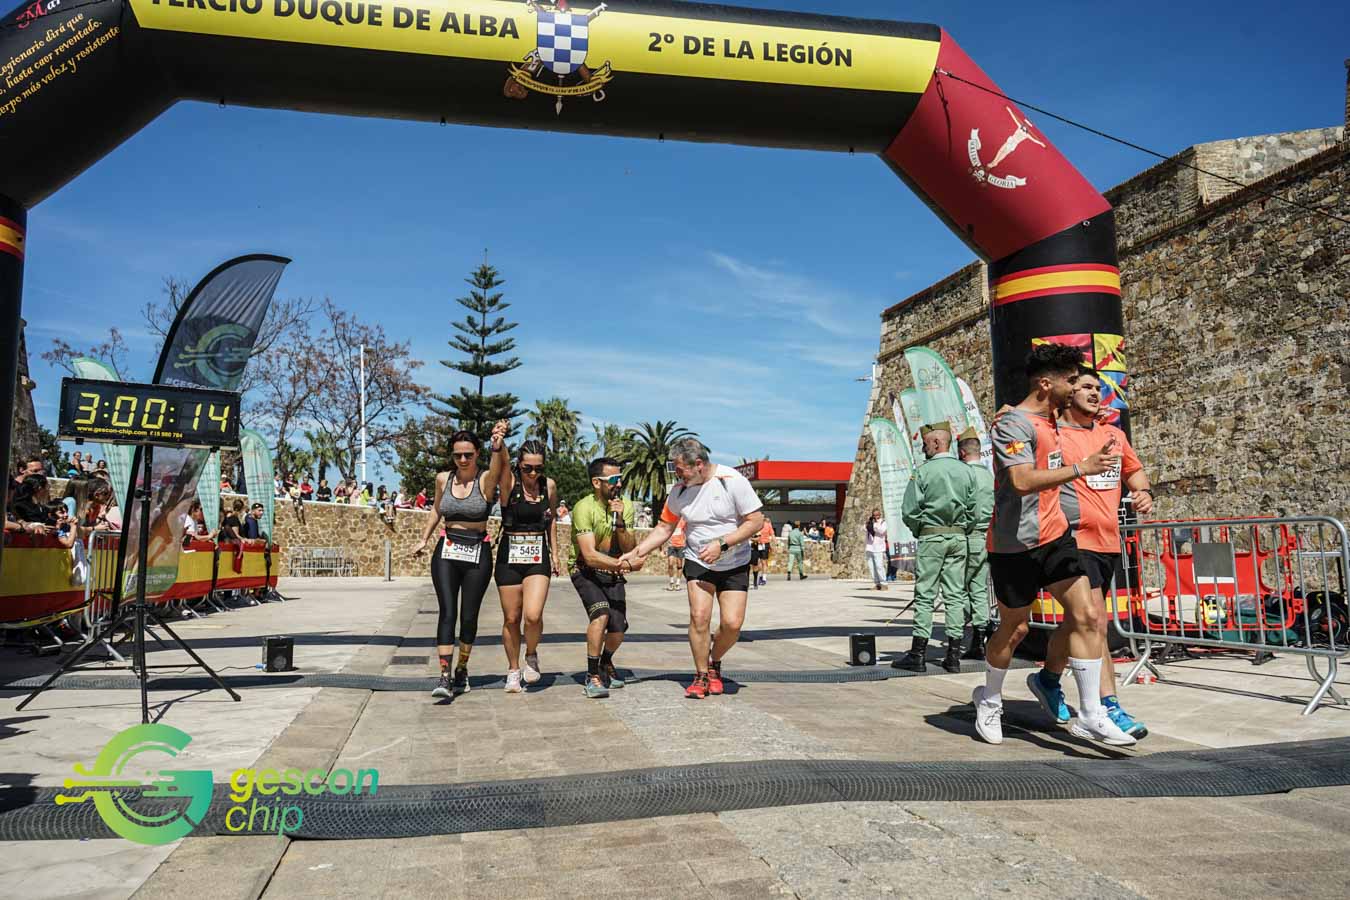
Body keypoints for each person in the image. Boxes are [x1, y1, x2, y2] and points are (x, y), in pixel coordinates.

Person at [972, 343, 1135, 747]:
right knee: (1015, 628)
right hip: (1014, 544)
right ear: (1046, 384)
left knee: (1087, 616)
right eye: (1071, 381)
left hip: (1056, 537)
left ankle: (1091, 714)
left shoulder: (1054, 420)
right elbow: (1021, 481)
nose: (1077, 388)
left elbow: (1084, 425)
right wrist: (1081, 468)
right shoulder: (1013, 425)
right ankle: (989, 698)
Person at [1041, 370, 1153, 738]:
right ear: (1068, 392)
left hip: (1107, 541)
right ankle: (1108, 707)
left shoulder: (1113, 435)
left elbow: (1135, 473)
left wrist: (1143, 493)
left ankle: (1047, 679)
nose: (1094, 392)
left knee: (1079, 621)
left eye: (1098, 387)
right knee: (1096, 622)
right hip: (1071, 539)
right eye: (1086, 387)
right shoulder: (1054, 433)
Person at [624, 438, 764, 700]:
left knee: (732, 624)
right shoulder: (679, 492)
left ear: (698, 464)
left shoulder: (731, 480)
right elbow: (664, 528)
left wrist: (722, 544)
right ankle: (701, 675)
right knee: (699, 617)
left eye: (680, 469)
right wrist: (638, 551)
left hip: (734, 562)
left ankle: (713, 662)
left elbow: (756, 521)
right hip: (697, 561)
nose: (677, 475)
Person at [412, 422, 509, 700]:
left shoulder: (485, 479)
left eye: (468, 454)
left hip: (477, 550)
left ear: (477, 453)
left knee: (468, 616)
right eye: (457, 455)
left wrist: (497, 445)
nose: (463, 459)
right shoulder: (443, 479)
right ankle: (444, 674)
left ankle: (462, 668)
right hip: (448, 549)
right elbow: (436, 509)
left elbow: (499, 468)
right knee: (447, 612)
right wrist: (424, 538)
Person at [896, 423, 976, 674]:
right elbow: (973, 509)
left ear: (937, 442)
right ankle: (953, 657)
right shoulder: (966, 471)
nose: (923, 448)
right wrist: (962, 528)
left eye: (925, 443)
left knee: (925, 595)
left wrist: (921, 529)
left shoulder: (923, 472)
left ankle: (918, 655)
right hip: (958, 538)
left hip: (932, 537)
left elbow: (910, 510)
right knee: (955, 595)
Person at [494, 439, 560, 693]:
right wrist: (499, 445)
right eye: (527, 468)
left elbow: (551, 520)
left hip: (537, 555)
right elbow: (500, 463)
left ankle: (531, 654)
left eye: (538, 468)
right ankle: (513, 670)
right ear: (518, 465)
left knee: (532, 615)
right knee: (512, 618)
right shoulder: (509, 483)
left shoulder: (548, 486)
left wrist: (555, 553)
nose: (533, 473)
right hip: (509, 555)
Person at [567, 457, 636, 699]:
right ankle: (592, 674)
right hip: (585, 569)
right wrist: (623, 564)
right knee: (601, 613)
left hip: (613, 573)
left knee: (618, 628)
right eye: (614, 479)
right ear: (597, 482)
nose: (619, 484)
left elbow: (630, 547)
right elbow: (589, 555)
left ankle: (606, 661)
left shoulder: (626, 505)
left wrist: (621, 522)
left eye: (621, 479)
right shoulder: (583, 507)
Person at [957, 427, 995, 660]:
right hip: (987, 537)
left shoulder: (965, 476)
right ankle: (981, 636)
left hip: (969, 536)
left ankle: (969, 632)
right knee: (979, 589)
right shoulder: (989, 477)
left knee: (959, 589)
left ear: (962, 452)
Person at [864, 508, 889, 590]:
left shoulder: (883, 522)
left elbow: (882, 531)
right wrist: (868, 524)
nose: (876, 517)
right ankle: (877, 583)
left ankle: (884, 583)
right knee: (872, 567)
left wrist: (874, 525)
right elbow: (864, 528)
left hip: (878, 547)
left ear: (880, 515)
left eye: (877, 515)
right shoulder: (870, 522)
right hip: (869, 547)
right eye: (874, 515)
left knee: (879, 566)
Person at [664, 517, 687, 591]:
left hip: (681, 545)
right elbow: (666, 533)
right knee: (670, 563)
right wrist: (664, 547)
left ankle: (678, 583)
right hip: (671, 545)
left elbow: (687, 531)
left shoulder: (683, 520)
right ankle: (671, 582)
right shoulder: (671, 520)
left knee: (679, 565)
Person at [753, 514, 774, 588]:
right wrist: (776, 544)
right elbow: (772, 535)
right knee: (764, 562)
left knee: (759, 562)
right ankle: (763, 578)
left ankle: (760, 577)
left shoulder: (757, 525)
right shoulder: (768, 525)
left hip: (757, 544)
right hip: (765, 544)